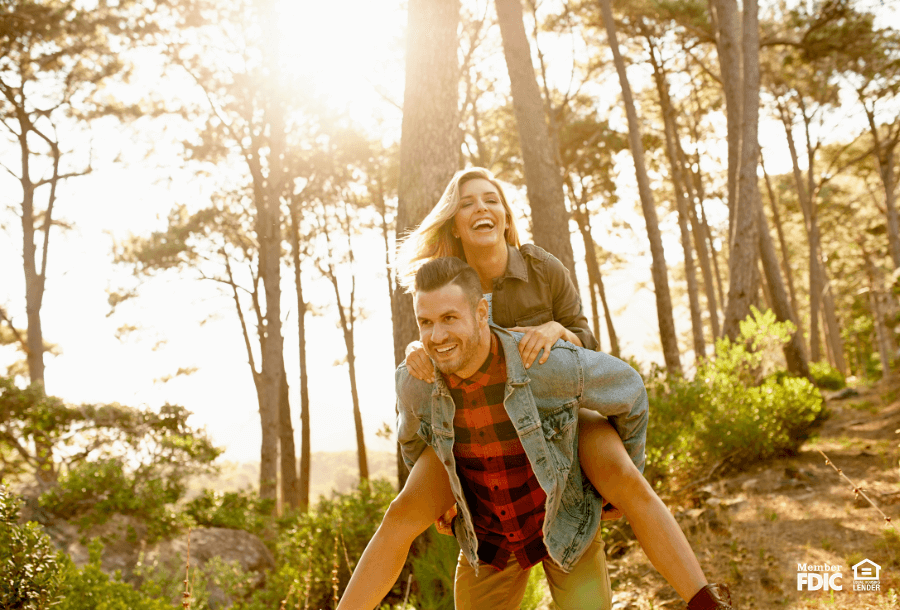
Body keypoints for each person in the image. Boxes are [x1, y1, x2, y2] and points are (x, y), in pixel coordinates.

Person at [392, 167, 732, 607]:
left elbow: (586, 341)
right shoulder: (445, 280)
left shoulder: (541, 267)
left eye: (491, 199)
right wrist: (415, 348)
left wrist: (557, 329)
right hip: (488, 433)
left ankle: (706, 600)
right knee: (411, 516)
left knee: (626, 478)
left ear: (507, 217)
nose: (481, 208)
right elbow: (438, 340)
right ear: (454, 225)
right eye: (467, 203)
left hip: (560, 412)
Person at [336, 258, 732, 610]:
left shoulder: (543, 364)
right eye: (426, 322)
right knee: (399, 513)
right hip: (489, 536)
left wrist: (614, 477)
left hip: (565, 520)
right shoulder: (416, 380)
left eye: (449, 318)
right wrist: (443, 496)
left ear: (479, 313)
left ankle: (708, 604)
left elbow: (629, 389)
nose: (436, 336)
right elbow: (412, 439)